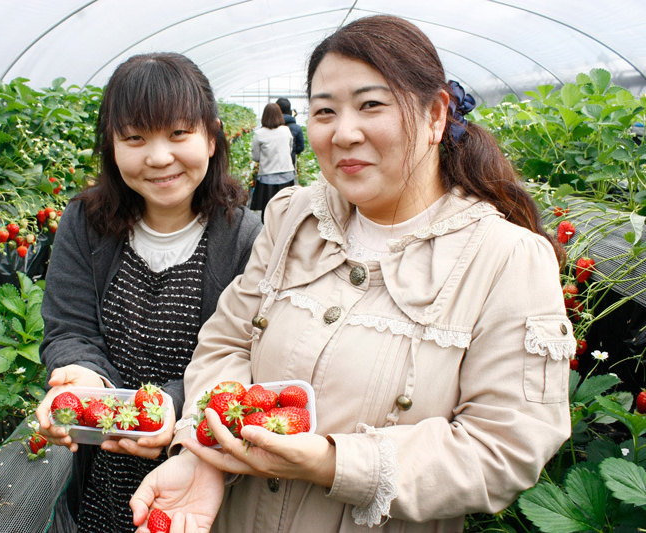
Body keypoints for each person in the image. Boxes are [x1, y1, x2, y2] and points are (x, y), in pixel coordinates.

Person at [130, 15, 574, 533]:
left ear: (435, 115)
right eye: (324, 111)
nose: (343, 133)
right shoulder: (294, 217)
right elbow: (229, 342)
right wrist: (206, 453)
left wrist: (333, 462)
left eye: (371, 105)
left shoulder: (504, 258)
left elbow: (505, 447)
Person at [35, 52, 262, 532]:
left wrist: (171, 408)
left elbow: (252, 356)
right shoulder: (85, 224)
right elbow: (69, 327)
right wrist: (83, 378)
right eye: (135, 138)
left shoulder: (248, 238)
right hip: (105, 465)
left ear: (212, 135)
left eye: (178, 134)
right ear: (112, 146)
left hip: (208, 468)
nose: (159, 157)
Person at [249, 102, 295, 220]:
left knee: (268, 210)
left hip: (267, 177)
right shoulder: (286, 131)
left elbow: (255, 157)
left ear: (264, 116)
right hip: (287, 174)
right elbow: (289, 150)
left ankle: (268, 234)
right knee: (285, 208)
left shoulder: (259, 134)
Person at [275, 97, 305, 166]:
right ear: (289, 110)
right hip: (289, 164)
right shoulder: (296, 128)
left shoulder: (269, 127)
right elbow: (300, 148)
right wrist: (292, 151)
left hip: (271, 167)